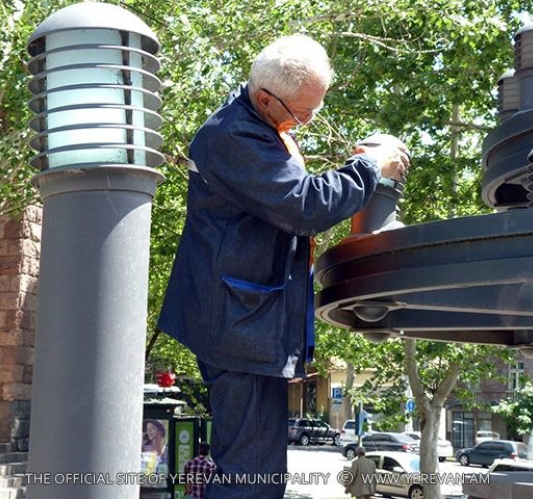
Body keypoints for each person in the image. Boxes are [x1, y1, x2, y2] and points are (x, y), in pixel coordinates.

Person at [158, 34, 410, 499]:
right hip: (238, 329)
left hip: (245, 325)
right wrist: (369, 168)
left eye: (315, 109)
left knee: (259, 475)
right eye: (301, 112)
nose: (307, 121)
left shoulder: (256, 126)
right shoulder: (232, 136)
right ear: (264, 98)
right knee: (249, 479)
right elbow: (303, 205)